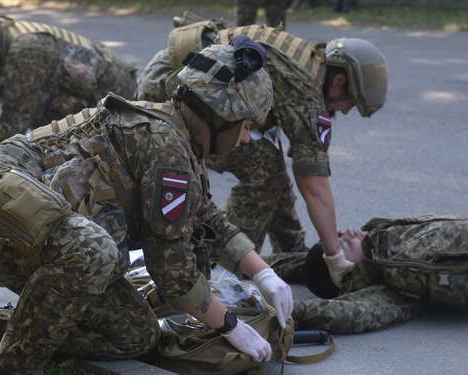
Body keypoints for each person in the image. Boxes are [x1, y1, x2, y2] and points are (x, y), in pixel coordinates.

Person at [0, 40, 294, 375]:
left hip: (15, 209)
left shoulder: (176, 136)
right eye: (246, 127)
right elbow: (172, 272)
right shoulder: (166, 146)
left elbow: (206, 215)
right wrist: (231, 326)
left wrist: (264, 273)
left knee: (134, 333)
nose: (243, 139)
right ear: (221, 115)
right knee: (95, 253)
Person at [135, 18, 388, 273]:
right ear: (339, 82)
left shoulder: (308, 62)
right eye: (350, 103)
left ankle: (291, 252)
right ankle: (227, 264)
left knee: (270, 163)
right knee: (263, 169)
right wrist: (335, 257)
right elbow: (314, 185)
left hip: (177, 78)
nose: (344, 112)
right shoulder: (306, 93)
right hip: (176, 96)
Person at [264, 216, 468, 333]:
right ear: (346, 274)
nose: (343, 233)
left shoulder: (380, 247)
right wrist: (284, 308)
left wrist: (251, 263)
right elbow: (349, 312)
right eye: (344, 245)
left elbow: (303, 264)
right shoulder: (392, 284)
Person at [0, 11, 138, 176]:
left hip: (115, 103)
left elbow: (14, 121)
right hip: (78, 95)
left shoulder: (26, 52)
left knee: (50, 155)